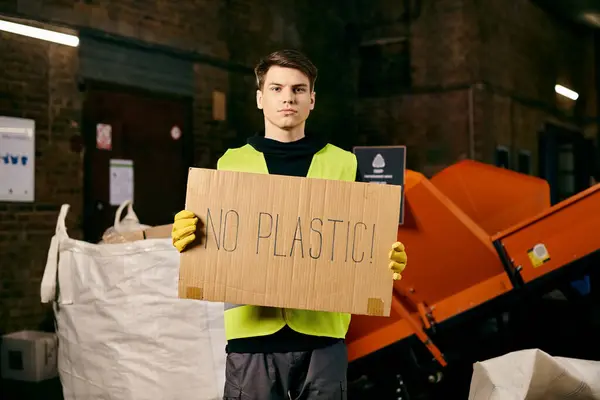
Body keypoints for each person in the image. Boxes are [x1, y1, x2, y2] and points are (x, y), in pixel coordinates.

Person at [171, 49, 408, 400]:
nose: (288, 98)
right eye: (277, 88)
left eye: (298, 89)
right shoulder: (231, 164)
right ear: (259, 97)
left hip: (322, 342)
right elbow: (218, 246)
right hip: (252, 341)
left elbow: (362, 243)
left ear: (312, 99)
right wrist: (192, 238)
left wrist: (385, 257)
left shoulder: (344, 165)